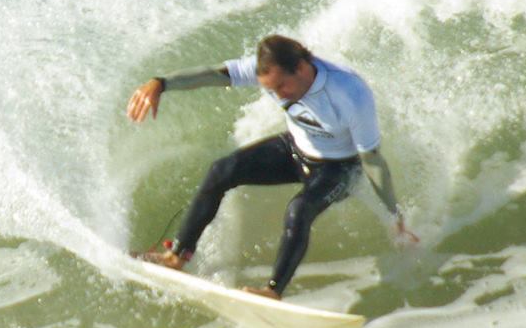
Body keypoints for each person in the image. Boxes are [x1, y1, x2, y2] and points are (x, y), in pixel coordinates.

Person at [125, 34, 417, 299]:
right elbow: (215, 75)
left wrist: (395, 216)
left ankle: (273, 291)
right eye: (270, 89)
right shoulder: (268, 71)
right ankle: (177, 257)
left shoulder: (350, 93)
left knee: (299, 210)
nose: (277, 94)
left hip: (339, 168)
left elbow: (373, 161)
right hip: (295, 150)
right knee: (221, 170)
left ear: (302, 68)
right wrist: (161, 83)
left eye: (281, 86)